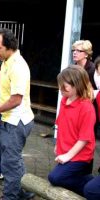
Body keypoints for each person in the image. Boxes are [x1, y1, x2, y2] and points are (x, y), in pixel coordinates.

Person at [0, 28, 35, 200]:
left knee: (10, 163)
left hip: (16, 122)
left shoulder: (18, 66)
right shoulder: (6, 61)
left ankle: (10, 196)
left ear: (9, 46)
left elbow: (16, 99)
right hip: (9, 118)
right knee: (13, 160)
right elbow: (9, 96)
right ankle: (22, 193)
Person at [47, 65, 95, 196]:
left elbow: (84, 139)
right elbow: (61, 125)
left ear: (77, 85)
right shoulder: (64, 100)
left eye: (64, 87)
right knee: (59, 178)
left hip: (80, 156)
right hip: (66, 152)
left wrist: (68, 155)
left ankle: (90, 186)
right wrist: (58, 144)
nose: (60, 89)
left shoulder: (86, 107)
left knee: (55, 178)